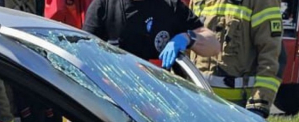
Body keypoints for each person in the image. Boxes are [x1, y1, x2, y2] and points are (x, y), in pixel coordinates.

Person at [189, 0, 284, 118]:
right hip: (197, 101)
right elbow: (189, 45)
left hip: (236, 108)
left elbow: (270, 57)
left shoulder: (262, 2)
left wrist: (258, 105)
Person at [82, 0, 220, 69]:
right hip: (113, 101)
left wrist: (188, 38)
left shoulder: (170, 6)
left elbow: (214, 46)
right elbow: (83, 56)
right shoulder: (105, 5)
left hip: (157, 106)